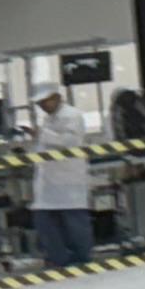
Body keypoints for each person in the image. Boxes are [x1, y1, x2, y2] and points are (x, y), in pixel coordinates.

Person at [26, 91, 97, 271]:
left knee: (75, 223)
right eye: (39, 103)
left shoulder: (72, 115)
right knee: (45, 221)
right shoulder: (48, 119)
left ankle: (82, 259)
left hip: (68, 180)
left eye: (45, 101)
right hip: (49, 182)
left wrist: (42, 134)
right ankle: (58, 259)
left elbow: (70, 141)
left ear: (57, 98)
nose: (42, 106)